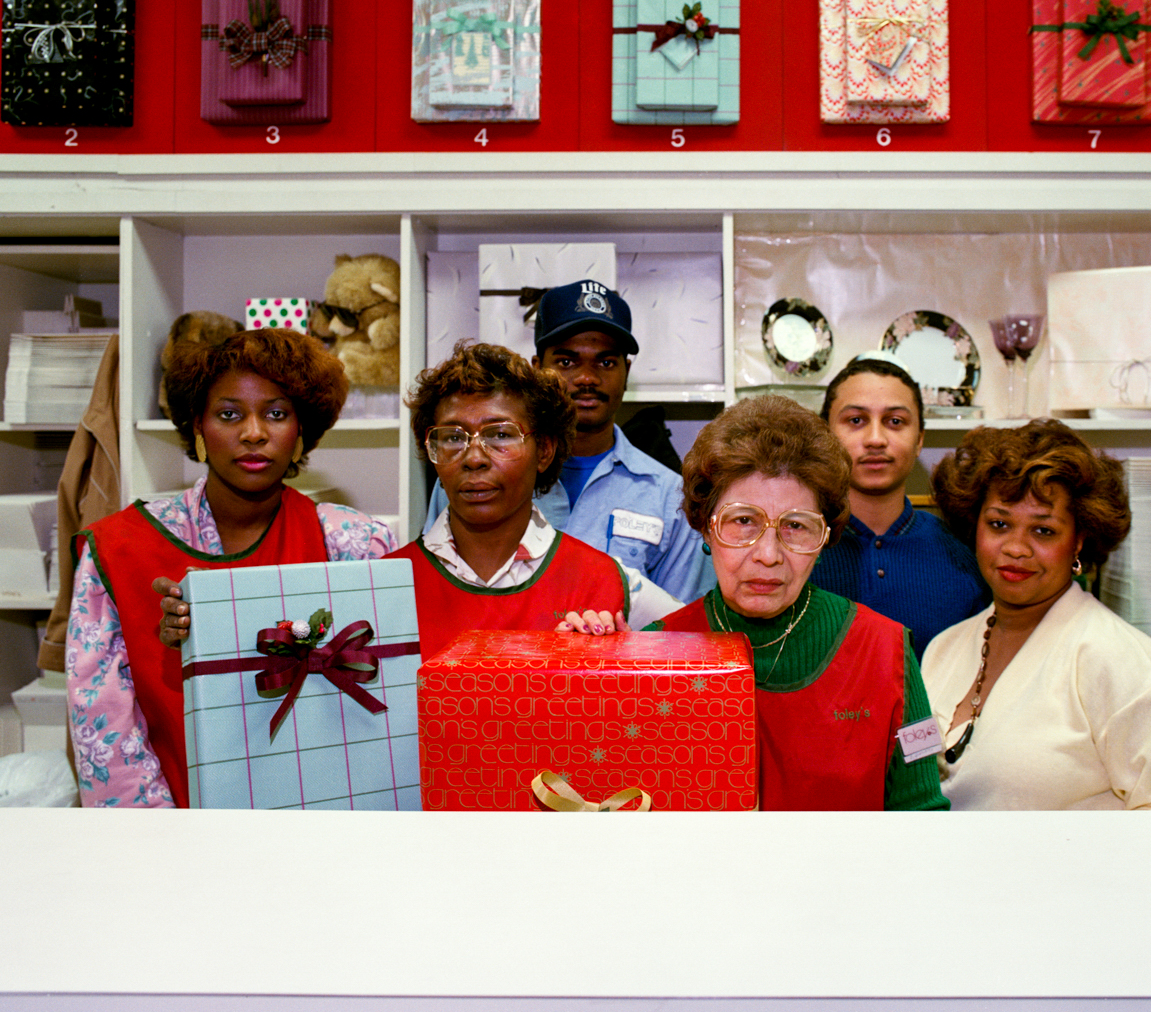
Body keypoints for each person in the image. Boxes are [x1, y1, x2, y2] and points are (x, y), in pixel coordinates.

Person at [563, 394, 948, 811]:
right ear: (706, 529)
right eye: (743, 521)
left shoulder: (884, 651)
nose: (768, 554)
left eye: (796, 526)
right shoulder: (657, 651)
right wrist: (595, 686)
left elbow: (922, 819)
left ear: (824, 538)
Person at [71, 328, 398, 808]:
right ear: (197, 426)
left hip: (325, 819)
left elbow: (386, 700)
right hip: (170, 831)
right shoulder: (118, 550)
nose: (253, 433)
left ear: (301, 429)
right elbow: (102, 725)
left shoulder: (354, 543)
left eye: (276, 413)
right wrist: (158, 841)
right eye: (229, 414)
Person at [922, 420, 1151, 810]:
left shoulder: (1117, 657)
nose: (1016, 548)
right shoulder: (944, 648)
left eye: (1043, 531)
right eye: (999, 524)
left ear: (1079, 539)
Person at [426, 279, 709, 602]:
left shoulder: (669, 498)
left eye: (606, 362)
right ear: (537, 370)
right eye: (566, 362)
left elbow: (681, 629)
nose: (587, 378)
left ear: (626, 372)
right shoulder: (476, 481)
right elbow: (439, 594)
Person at [391, 341, 680, 657]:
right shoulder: (383, 586)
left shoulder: (607, 581)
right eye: (452, 438)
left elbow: (708, 657)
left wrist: (631, 661)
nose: (474, 458)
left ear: (543, 451)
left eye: (500, 435)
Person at [812, 356, 990, 658]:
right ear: (826, 435)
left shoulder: (963, 554)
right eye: (856, 420)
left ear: (919, 439)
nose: (876, 439)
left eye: (895, 422)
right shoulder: (792, 549)